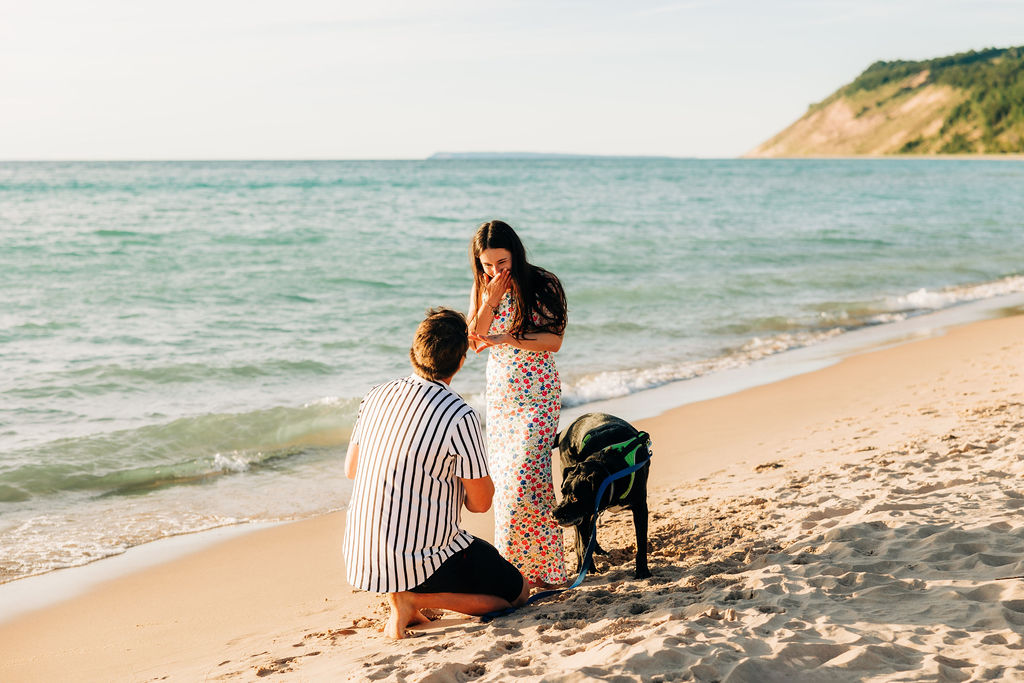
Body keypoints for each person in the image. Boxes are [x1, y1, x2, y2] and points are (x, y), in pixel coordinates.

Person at [342, 307, 530, 639]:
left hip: (364, 558)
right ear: (459, 362)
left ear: (414, 351)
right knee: (517, 593)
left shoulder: (375, 395)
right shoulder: (459, 414)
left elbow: (351, 469)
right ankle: (412, 599)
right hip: (422, 558)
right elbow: (481, 504)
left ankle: (401, 595)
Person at [467, 220, 569, 588]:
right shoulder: (484, 285)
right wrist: (491, 298)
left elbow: (554, 341)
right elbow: (476, 339)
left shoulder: (542, 282)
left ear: (517, 253)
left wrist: (510, 337)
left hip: (539, 389)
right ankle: (519, 575)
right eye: (487, 264)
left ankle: (546, 572)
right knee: (509, 484)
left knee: (527, 478)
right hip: (502, 393)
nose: (495, 271)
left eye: (502, 262)